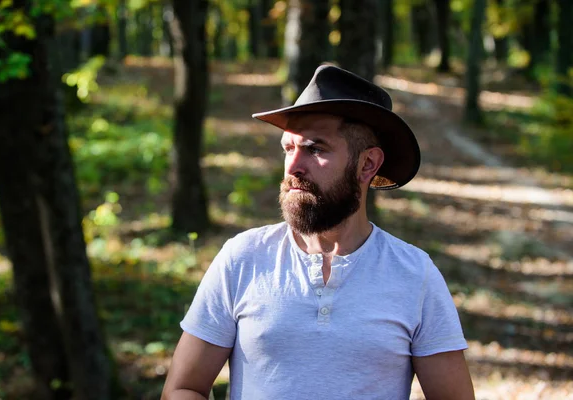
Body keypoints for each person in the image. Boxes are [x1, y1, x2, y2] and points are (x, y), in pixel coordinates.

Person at [161, 65, 475, 400]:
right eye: (288, 148)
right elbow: (184, 388)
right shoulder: (243, 258)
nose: (293, 166)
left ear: (368, 165)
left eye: (315, 149)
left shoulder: (414, 274)